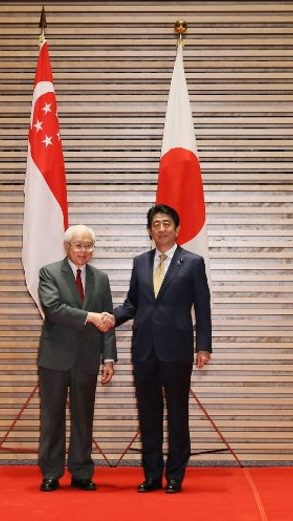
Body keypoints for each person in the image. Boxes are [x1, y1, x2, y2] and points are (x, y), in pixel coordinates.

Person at [106, 204, 212, 494]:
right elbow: (132, 304)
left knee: (178, 413)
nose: (161, 228)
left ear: (176, 229)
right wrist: (108, 318)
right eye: (156, 224)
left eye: (167, 223)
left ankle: (176, 474)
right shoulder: (140, 261)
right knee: (148, 414)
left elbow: (202, 306)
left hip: (177, 350)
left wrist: (203, 345)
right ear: (149, 230)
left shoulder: (192, 262)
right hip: (143, 350)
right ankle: (152, 474)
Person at [37, 224, 117, 492]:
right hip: (55, 358)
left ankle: (81, 471)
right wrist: (89, 317)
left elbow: (107, 320)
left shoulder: (101, 278)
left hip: (87, 358)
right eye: (79, 245)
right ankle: (51, 472)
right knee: (53, 417)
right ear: (67, 246)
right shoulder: (49, 272)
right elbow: (53, 309)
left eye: (89, 246)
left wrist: (108, 358)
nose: (84, 251)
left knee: (84, 416)